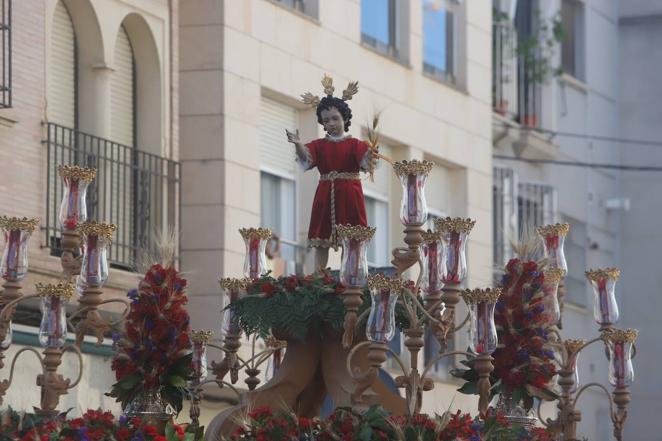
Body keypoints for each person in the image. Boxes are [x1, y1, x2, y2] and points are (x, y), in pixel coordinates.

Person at [286, 76, 378, 270]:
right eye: (326, 120)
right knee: (321, 238)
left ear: (344, 119)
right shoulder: (319, 145)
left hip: (350, 194)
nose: (331, 123)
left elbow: (366, 161)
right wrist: (298, 145)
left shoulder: (355, 144)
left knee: (350, 239)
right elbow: (306, 158)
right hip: (325, 193)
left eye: (335, 118)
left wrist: (370, 154)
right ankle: (320, 277)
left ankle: (350, 274)